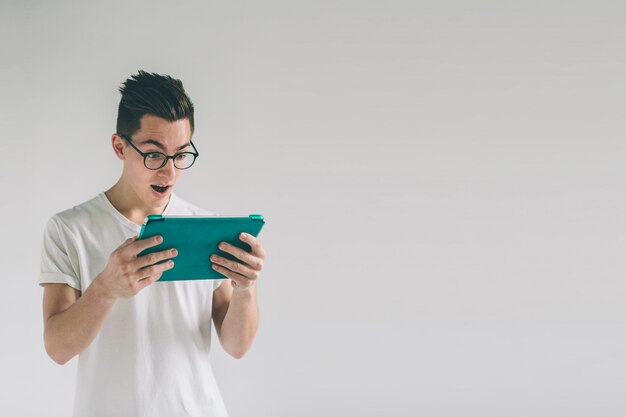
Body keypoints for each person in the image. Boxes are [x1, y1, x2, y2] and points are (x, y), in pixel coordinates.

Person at [40, 71, 266, 417]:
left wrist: (245, 289)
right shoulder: (70, 229)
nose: (170, 172)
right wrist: (105, 288)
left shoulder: (205, 229)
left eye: (181, 155)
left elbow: (236, 346)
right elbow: (57, 348)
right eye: (154, 154)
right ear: (120, 147)